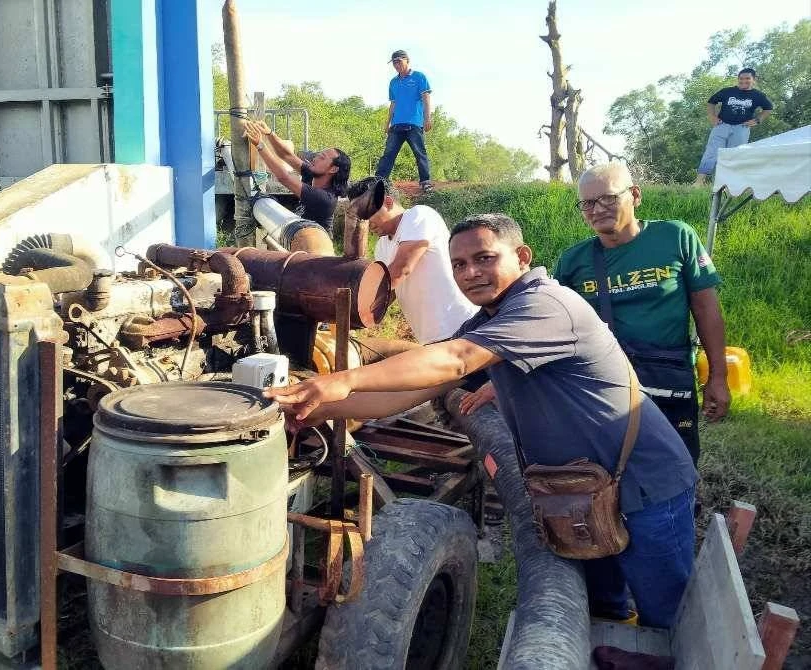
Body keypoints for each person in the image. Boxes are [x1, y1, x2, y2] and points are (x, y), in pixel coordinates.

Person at [267, 213, 698, 629]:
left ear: (522, 256)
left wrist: (342, 380)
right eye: (458, 264)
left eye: (484, 258)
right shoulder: (493, 317)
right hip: (583, 490)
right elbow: (411, 391)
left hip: (645, 486)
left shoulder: (544, 305)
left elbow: (455, 360)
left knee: (669, 621)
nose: (470, 272)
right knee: (601, 609)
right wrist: (316, 410)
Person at [555, 162, 729, 467]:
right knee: (611, 468)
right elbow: (558, 329)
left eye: (608, 198)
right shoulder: (573, 261)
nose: (596, 210)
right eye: (587, 203)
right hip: (606, 382)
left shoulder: (676, 236)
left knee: (678, 463)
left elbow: (706, 309)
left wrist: (718, 376)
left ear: (635, 195)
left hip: (668, 377)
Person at [345, 176, 477, 343]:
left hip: (462, 326)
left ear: (387, 202)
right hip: (430, 337)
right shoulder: (382, 245)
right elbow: (388, 290)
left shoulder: (419, 215)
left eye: (368, 212)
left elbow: (401, 270)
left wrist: (357, 303)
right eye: (360, 215)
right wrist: (356, 316)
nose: (366, 221)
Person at [242, 119, 350, 231]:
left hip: (315, 245)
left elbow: (284, 177)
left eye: (321, 157)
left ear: (333, 169)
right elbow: (287, 155)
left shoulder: (325, 198)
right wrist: (269, 133)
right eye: (318, 155)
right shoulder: (313, 174)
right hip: (300, 235)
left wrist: (260, 145)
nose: (315, 158)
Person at [695, 68, 772, 185]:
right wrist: (712, 116)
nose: (743, 81)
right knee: (711, 152)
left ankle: (726, 185)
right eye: (741, 78)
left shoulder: (758, 95)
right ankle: (699, 182)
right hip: (721, 125)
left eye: (747, 78)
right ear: (738, 79)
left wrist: (758, 120)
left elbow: (768, 108)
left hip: (741, 128)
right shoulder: (728, 91)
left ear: (753, 80)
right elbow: (711, 102)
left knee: (734, 156)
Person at [375, 50, 433, 194]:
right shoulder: (393, 82)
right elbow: (393, 104)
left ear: (407, 60)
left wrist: (427, 118)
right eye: (394, 62)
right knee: (388, 153)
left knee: (420, 153)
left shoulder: (419, 77)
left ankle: (425, 182)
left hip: (414, 123)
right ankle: (379, 181)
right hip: (397, 124)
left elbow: (426, 98)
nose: (396, 65)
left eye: (399, 61)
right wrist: (387, 123)